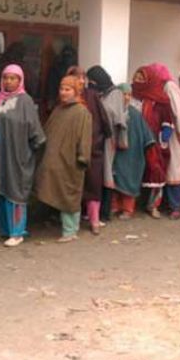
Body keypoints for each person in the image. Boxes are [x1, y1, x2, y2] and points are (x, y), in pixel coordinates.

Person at [0, 64, 45, 247]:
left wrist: (30, 153)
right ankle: (4, 228)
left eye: (13, 78)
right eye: (6, 77)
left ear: (20, 80)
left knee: (15, 190)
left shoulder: (25, 101)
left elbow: (35, 130)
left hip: (18, 155)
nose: (9, 81)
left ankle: (17, 231)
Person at [35, 75, 92, 243]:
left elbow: (85, 138)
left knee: (70, 195)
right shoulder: (58, 110)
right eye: (62, 89)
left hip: (71, 161)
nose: (63, 93)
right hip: (55, 160)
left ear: (76, 91)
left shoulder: (82, 112)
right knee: (58, 191)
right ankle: (66, 227)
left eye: (68, 89)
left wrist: (82, 157)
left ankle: (70, 231)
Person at [68, 66, 111, 235]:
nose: (80, 81)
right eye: (76, 77)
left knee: (93, 184)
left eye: (82, 77)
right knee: (74, 185)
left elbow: (103, 120)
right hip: (71, 150)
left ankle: (94, 220)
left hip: (93, 147)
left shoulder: (92, 96)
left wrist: (99, 141)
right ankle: (73, 222)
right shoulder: (65, 97)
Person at [131, 64, 175, 219]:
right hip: (133, 141)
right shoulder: (129, 96)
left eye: (142, 78)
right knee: (133, 170)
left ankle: (153, 205)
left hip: (153, 142)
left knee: (154, 172)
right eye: (136, 77)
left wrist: (163, 141)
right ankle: (129, 205)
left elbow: (167, 122)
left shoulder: (160, 100)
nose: (138, 80)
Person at [86, 65, 127, 222]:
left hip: (110, 138)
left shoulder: (115, 93)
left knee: (107, 172)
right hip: (97, 137)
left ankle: (105, 212)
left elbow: (117, 118)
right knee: (97, 172)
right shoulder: (99, 93)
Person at [111, 83, 155, 219]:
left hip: (133, 155)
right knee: (115, 179)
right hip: (117, 154)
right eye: (124, 94)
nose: (127, 97)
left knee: (129, 180)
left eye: (129, 94)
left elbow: (147, 135)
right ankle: (115, 206)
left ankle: (128, 209)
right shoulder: (112, 111)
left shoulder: (135, 114)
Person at [162, 64, 180, 220]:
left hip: (176, 134)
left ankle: (175, 206)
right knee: (172, 168)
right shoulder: (167, 87)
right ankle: (171, 204)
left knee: (175, 169)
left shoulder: (169, 87)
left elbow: (178, 111)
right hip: (173, 132)